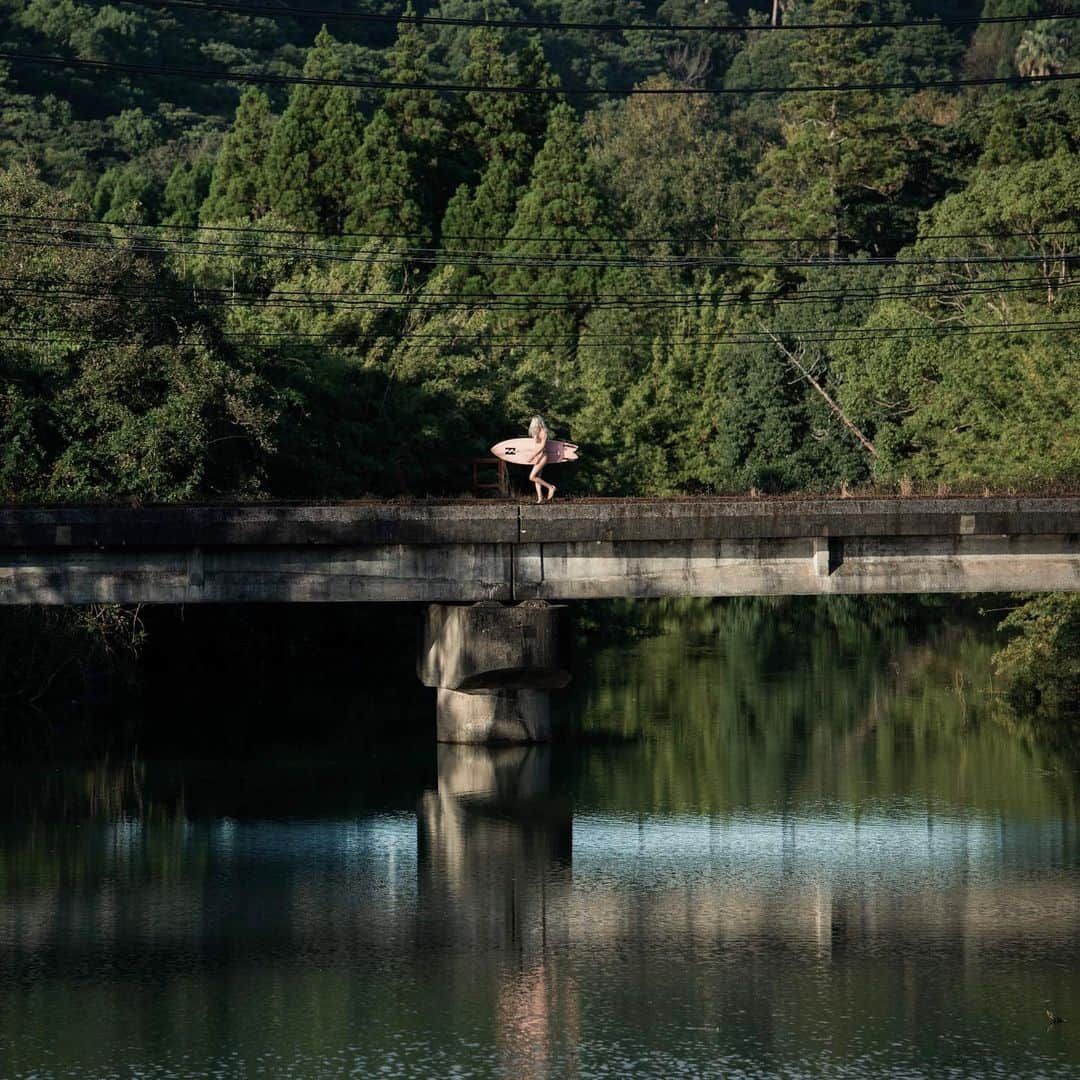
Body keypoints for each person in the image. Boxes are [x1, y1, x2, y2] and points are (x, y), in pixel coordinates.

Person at [527, 415, 556, 503]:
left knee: (531, 477)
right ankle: (540, 498)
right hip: (538, 456)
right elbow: (535, 446)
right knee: (537, 477)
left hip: (542, 456)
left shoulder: (543, 432)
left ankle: (550, 487)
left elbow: (542, 447)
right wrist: (535, 456)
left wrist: (534, 456)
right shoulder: (535, 432)